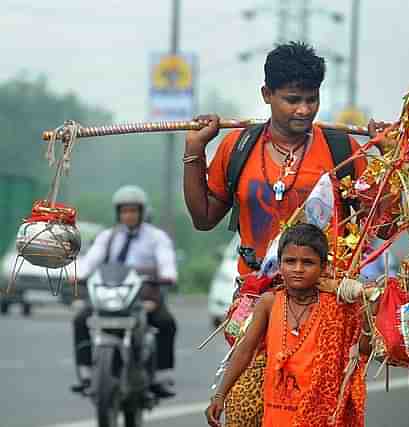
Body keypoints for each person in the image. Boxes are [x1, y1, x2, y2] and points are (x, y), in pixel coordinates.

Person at [183, 41, 379, 425]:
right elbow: (204, 217)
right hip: (254, 301)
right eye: (292, 99)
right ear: (267, 95)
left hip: (321, 306)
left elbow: (380, 221)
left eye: (312, 99)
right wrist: (194, 151)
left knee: (312, 413)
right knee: (246, 411)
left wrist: (386, 155)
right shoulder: (237, 147)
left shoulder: (342, 150)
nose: (304, 110)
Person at [205, 223, 369, 427]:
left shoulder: (337, 307)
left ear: (323, 267)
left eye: (308, 262)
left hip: (319, 417)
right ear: (280, 265)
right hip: (276, 417)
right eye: (290, 261)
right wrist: (220, 395)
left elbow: (363, 349)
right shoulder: (269, 302)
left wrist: (367, 298)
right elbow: (245, 350)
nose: (298, 269)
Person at [70, 185, 178, 398]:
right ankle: (86, 374)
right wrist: (78, 275)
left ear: (142, 212)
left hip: (143, 295)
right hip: (110, 294)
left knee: (166, 323)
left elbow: (166, 260)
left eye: (133, 211)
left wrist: (168, 275)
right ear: (118, 213)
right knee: (81, 319)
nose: (128, 215)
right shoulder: (107, 237)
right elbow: (92, 259)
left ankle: (160, 377)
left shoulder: (156, 237)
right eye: (124, 211)